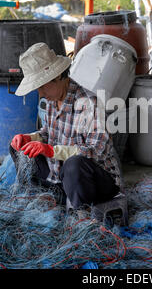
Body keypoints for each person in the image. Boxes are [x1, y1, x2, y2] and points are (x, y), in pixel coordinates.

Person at [10, 42, 121, 209]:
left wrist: (52, 151)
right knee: (19, 147)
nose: (41, 93)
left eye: (42, 87)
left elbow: (98, 151)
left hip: (97, 181)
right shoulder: (51, 102)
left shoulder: (88, 103)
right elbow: (48, 134)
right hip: (60, 177)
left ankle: (80, 213)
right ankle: (49, 197)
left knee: (74, 164)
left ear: (58, 76)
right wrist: (30, 138)